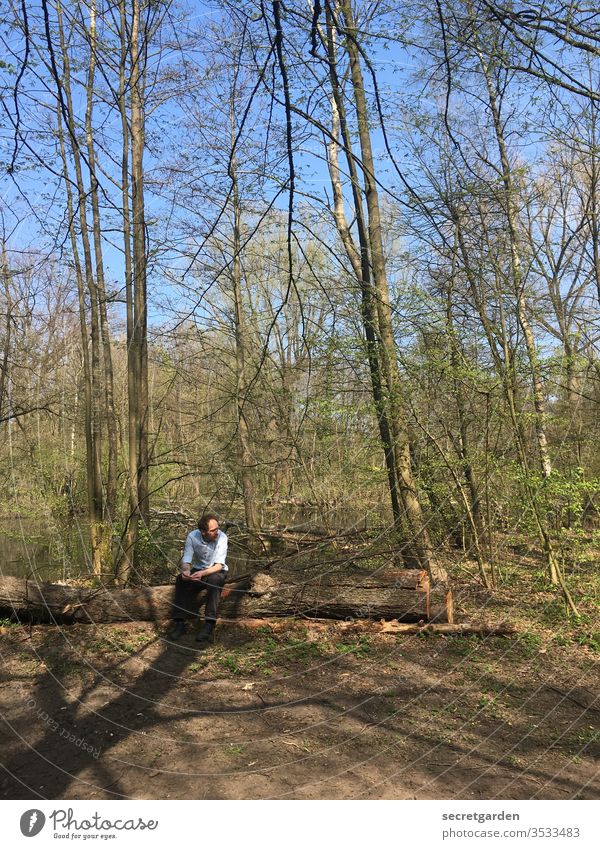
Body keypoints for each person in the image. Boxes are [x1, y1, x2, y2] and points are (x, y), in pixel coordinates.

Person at [168, 514, 228, 643]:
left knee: (214, 580)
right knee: (181, 580)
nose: (217, 532)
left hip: (216, 570)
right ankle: (179, 622)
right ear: (203, 532)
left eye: (217, 528)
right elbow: (187, 559)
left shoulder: (222, 537)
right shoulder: (192, 536)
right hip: (199, 569)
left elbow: (219, 565)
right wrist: (186, 571)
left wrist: (203, 573)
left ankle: (209, 624)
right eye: (213, 531)